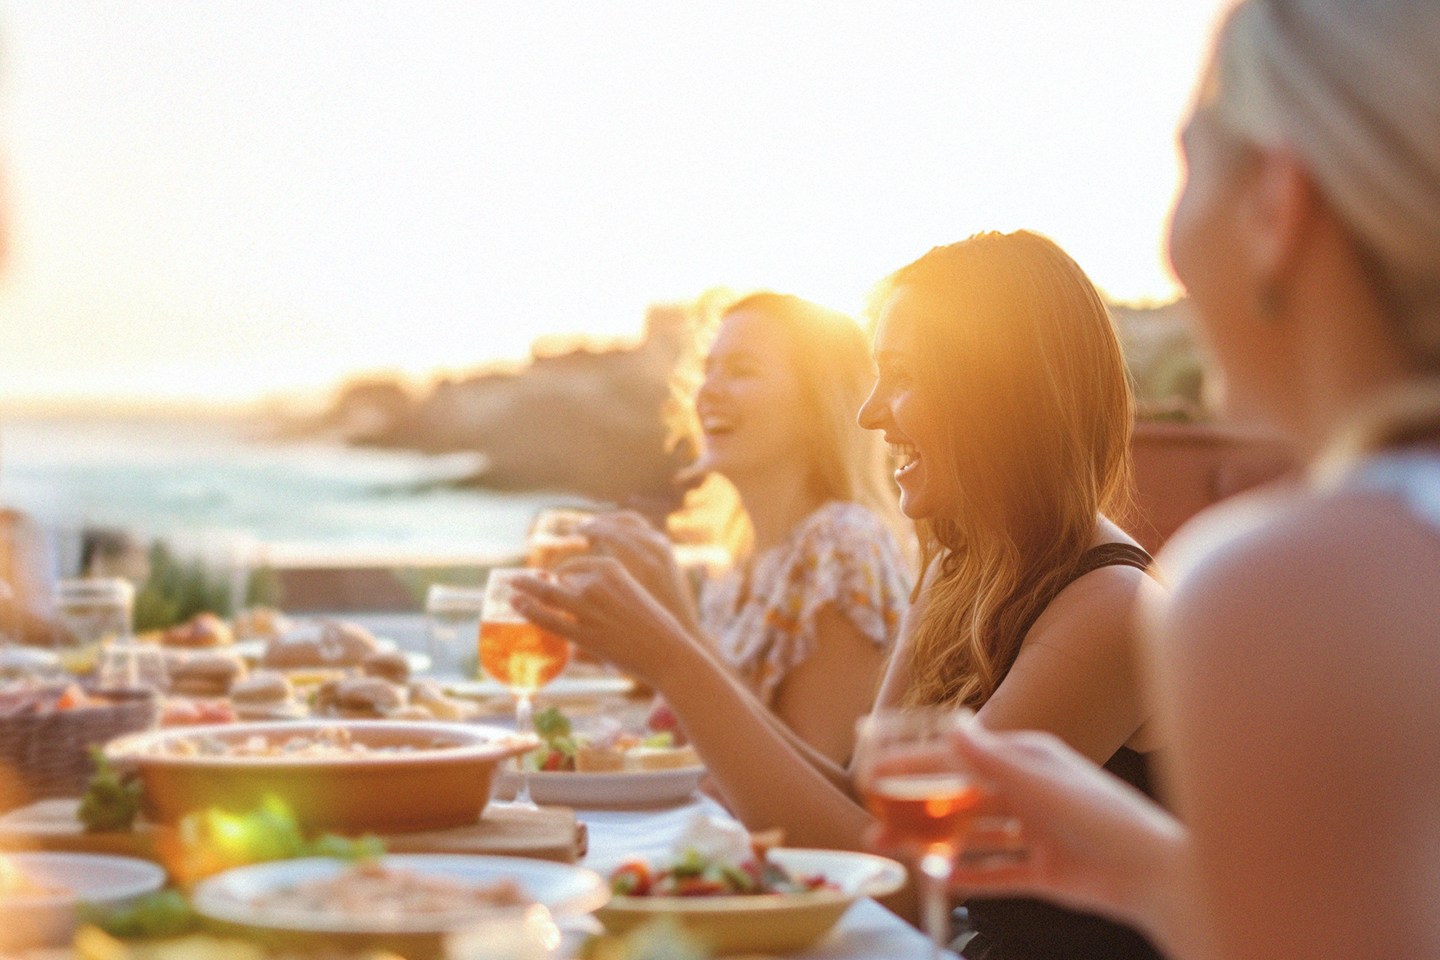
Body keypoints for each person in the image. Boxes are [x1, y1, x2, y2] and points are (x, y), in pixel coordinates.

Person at [934, 3, 1440, 959]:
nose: (1170, 239)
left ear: (1275, 203)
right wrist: (1151, 871)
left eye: (1189, 167)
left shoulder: (1287, 587)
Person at [515, 231, 1165, 960]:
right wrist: (674, 656)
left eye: (905, 377)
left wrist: (675, 658)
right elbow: (863, 807)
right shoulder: (959, 566)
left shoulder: (1112, 607)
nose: (872, 414)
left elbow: (903, 880)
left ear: (1000, 392)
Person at [576, 292, 912, 765]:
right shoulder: (734, 558)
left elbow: (820, 788)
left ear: (819, 401)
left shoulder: (842, 547)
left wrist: (676, 631)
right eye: (708, 369)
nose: (707, 391)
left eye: (742, 371)